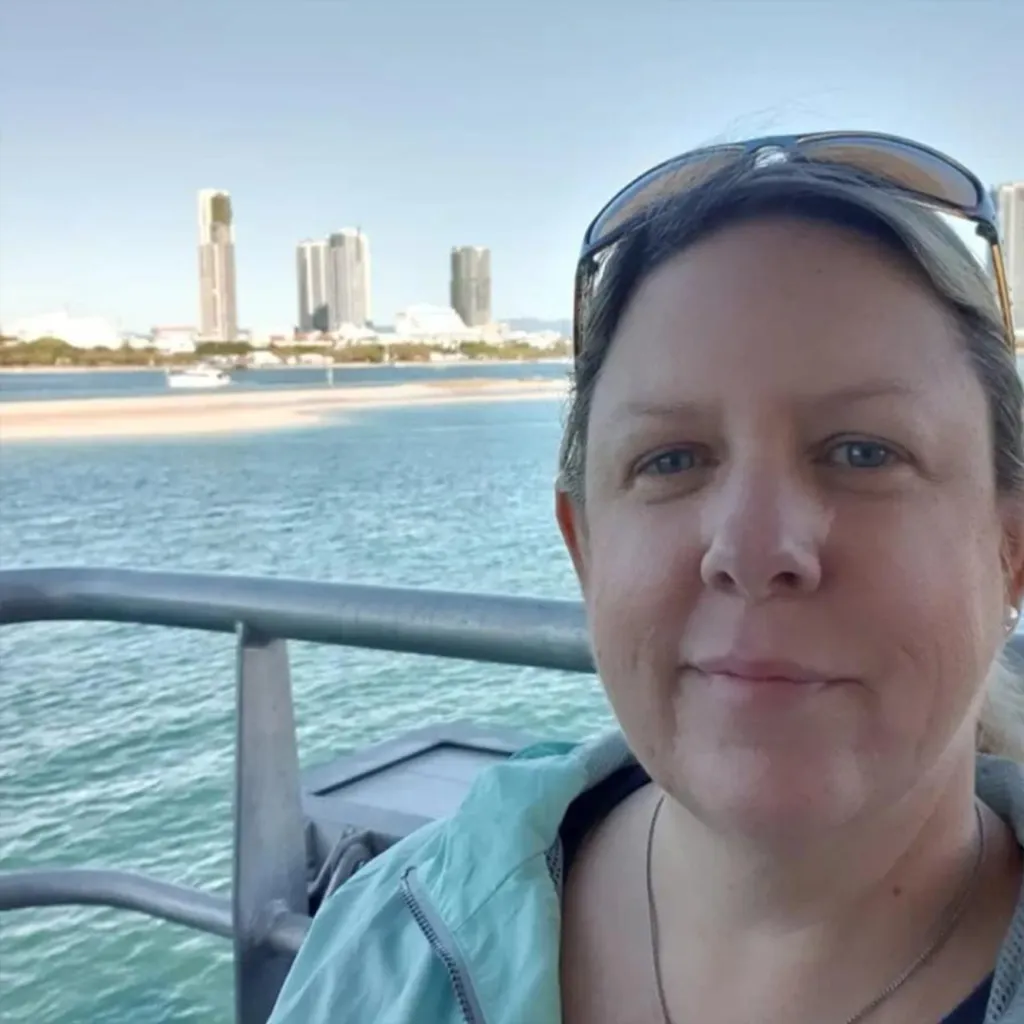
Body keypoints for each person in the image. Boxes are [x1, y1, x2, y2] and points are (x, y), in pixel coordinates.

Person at [268, 133, 1024, 1024]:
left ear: (1010, 549)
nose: (750, 548)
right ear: (584, 548)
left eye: (863, 451)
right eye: (672, 459)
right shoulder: (386, 949)